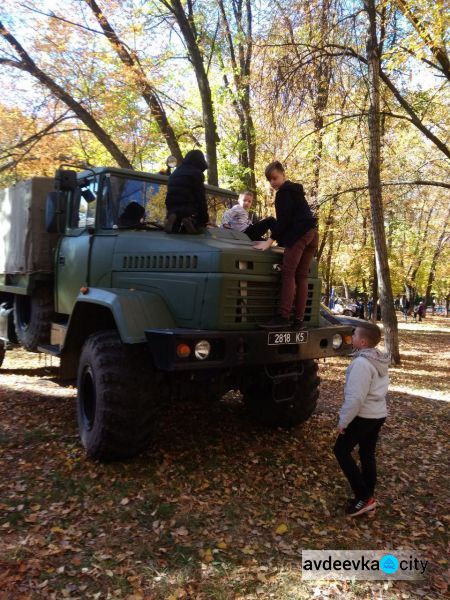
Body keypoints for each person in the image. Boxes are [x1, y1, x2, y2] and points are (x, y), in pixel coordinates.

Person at [254, 161, 318, 330]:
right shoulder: (296, 192)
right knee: (302, 276)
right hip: (312, 234)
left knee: (288, 273)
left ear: (283, 174)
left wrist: (269, 241)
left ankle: (282, 316)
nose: (273, 182)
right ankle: (298, 320)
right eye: (270, 180)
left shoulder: (283, 193)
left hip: (300, 234)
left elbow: (284, 221)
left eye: (275, 178)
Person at [333, 324, 389, 517]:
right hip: (378, 414)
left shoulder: (362, 364)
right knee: (366, 453)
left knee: (340, 450)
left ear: (363, 341)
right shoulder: (377, 358)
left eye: (355, 334)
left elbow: (356, 397)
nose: (352, 335)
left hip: (364, 415)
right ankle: (367, 496)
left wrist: (343, 422)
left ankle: (364, 497)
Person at [164, 149, 209, 234]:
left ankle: (172, 219)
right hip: (188, 209)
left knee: (176, 220)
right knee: (198, 228)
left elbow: (170, 196)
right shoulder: (196, 173)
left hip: (173, 209)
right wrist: (204, 218)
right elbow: (200, 197)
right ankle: (191, 223)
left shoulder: (174, 174)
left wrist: (171, 212)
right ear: (199, 162)